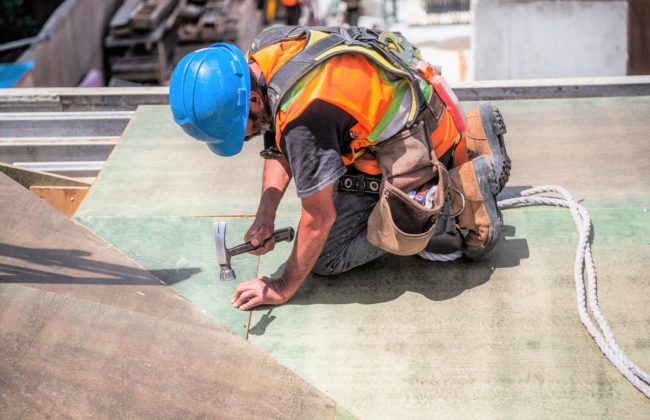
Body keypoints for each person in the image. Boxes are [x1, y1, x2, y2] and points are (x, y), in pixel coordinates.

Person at [169, 26, 511, 311]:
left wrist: (282, 286)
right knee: (323, 180)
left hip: (420, 145)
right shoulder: (266, 51)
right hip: (422, 111)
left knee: (328, 257)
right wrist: (265, 215)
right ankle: (474, 138)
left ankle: (460, 196)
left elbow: (319, 218)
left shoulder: (305, 118)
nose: (242, 141)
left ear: (253, 100)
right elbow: (278, 141)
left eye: (237, 132)